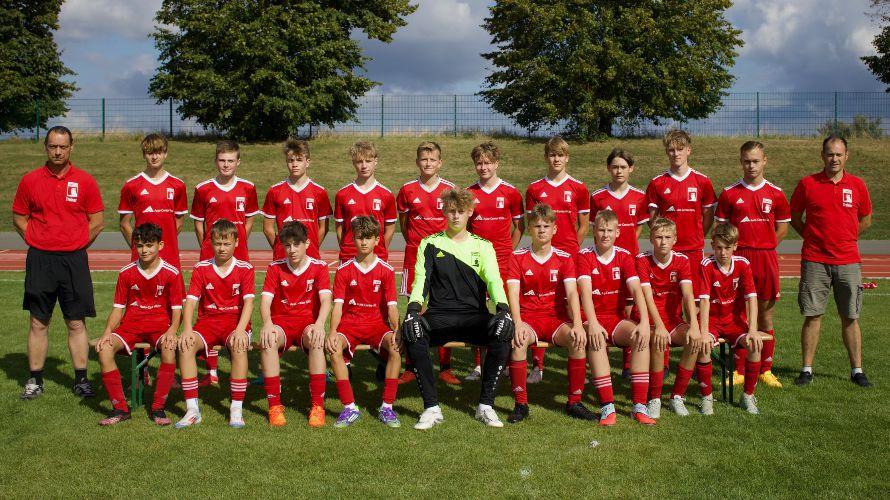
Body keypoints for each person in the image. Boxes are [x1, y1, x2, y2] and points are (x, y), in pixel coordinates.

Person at [401, 188, 514, 429]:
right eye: (451, 211)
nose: (455, 216)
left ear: (470, 212)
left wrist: (503, 309)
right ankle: (431, 407)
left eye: (460, 211)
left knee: (503, 332)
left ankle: (486, 406)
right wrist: (412, 310)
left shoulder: (483, 246)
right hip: (439, 316)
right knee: (413, 332)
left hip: (474, 317)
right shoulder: (430, 243)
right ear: (444, 212)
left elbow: (494, 280)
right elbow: (421, 280)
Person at [13, 126, 104, 400]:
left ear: (71, 147)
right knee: (38, 321)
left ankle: (81, 380)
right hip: (40, 259)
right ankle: (35, 380)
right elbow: (19, 217)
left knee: (76, 322)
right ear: (46, 147)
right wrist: (37, 240)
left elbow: (97, 222)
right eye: (53, 146)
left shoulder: (85, 181)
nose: (58, 151)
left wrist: (76, 245)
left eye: (63, 146)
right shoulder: (30, 181)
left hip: (73, 260)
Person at [790, 136, 873, 387]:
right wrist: (813, 238)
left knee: (850, 316)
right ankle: (806, 370)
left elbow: (866, 220)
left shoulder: (857, 185)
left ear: (846, 156)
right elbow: (795, 216)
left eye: (838, 154)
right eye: (830, 154)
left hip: (848, 261)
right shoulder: (807, 184)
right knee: (813, 315)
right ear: (822, 156)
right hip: (815, 260)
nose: (834, 159)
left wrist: (845, 238)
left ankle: (857, 370)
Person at [715, 141, 790, 388]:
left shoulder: (776, 193)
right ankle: (739, 369)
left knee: (765, 316)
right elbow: (720, 230)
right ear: (741, 162)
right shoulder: (729, 193)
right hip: (739, 259)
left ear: (764, 161)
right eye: (747, 161)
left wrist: (766, 245)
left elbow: (783, 228)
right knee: (739, 315)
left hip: (765, 259)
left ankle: (765, 369)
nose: (751, 165)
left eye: (756, 161)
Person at [505, 204, 589, 423]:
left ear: (554, 229)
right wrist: (517, 323)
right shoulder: (517, 257)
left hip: (555, 319)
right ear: (530, 229)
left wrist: (577, 324)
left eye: (546, 226)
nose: (541, 230)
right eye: (537, 226)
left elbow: (572, 293)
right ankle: (521, 404)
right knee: (518, 342)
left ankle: (574, 402)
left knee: (577, 340)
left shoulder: (564, 258)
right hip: (528, 318)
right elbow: (512, 293)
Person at [94, 223, 183, 426]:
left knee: (169, 348)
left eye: (149, 245)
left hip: (159, 327)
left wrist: (172, 330)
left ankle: (158, 408)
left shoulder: (171, 273)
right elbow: (118, 309)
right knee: (104, 349)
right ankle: (120, 409)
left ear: (160, 245)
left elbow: (177, 310)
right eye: (140, 245)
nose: (144, 250)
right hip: (130, 326)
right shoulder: (126, 272)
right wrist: (107, 332)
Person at [576, 210, 655, 425]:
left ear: (617, 232)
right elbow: (585, 293)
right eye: (601, 230)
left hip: (615, 318)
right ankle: (607, 406)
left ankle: (639, 406)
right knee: (597, 339)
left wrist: (644, 322)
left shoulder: (624, 256)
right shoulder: (584, 255)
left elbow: (636, 290)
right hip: (590, 318)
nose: (605, 235)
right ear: (594, 231)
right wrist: (592, 323)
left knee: (639, 335)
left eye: (610, 230)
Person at [189, 140, 258, 385]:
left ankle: (239, 352)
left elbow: (249, 220)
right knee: (208, 308)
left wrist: (238, 244)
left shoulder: (248, 188)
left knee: (239, 303)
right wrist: (207, 246)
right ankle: (211, 372)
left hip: (238, 255)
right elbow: (199, 223)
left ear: (238, 162)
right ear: (215, 161)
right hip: (211, 256)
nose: (226, 165)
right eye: (222, 160)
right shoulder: (203, 189)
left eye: (230, 160)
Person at [175, 219, 255, 428]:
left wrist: (240, 330)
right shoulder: (201, 268)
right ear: (211, 243)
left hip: (234, 322)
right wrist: (187, 329)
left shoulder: (245, 268)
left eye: (227, 243)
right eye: (218, 243)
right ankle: (192, 410)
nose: (222, 248)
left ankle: (236, 409)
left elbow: (249, 303)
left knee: (239, 346)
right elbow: (191, 301)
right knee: (186, 345)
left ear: (236, 243)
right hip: (207, 322)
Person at [524, 136, 590, 383]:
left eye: (560, 155)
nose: (556, 159)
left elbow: (584, 225)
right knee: (541, 303)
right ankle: (537, 366)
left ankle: (580, 358)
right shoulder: (534, 189)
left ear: (567, 157)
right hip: (541, 254)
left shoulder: (579, 188)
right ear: (546, 157)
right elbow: (533, 224)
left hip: (568, 255)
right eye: (552, 155)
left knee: (574, 303)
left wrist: (570, 248)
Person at [327, 216, 402, 428]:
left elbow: (392, 307)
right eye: (360, 237)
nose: (363, 242)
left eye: (368, 237)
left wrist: (397, 330)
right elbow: (338, 306)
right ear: (353, 239)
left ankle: (387, 407)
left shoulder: (386, 270)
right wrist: (332, 332)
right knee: (334, 348)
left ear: (377, 240)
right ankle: (349, 407)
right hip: (349, 325)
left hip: (377, 325)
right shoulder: (344, 270)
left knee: (396, 348)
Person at [396, 141, 459, 386]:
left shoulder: (450, 190)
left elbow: (456, 222)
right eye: (424, 159)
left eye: (433, 159)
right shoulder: (407, 189)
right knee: (414, 310)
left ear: (440, 163)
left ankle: (445, 367)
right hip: (415, 256)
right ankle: (411, 366)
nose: (428, 163)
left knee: (445, 309)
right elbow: (405, 225)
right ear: (417, 162)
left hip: (444, 257)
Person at [258, 221, 332, 427]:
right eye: (287, 245)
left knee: (316, 339)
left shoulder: (319, 267)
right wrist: (267, 324)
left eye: (296, 244)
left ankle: (317, 406)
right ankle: (274, 406)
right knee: (268, 340)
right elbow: (265, 302)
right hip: (281, 323)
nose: (292, 250)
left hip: (307, 323)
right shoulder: (275, 268)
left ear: (307, 243)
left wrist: (320, 324)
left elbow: (326, 300)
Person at [465, 141, 524, 381]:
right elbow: (464, 229)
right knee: (477, 312)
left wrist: (508, 250)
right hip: (476, 262)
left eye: (488, 162)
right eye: (479, 163)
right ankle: (478, 365)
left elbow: (519, 227)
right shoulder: (468, 193)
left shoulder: (511, 192)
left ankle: (506, 361)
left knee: (505, 311)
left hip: (503, 261)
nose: (483, 167)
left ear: (496, 163)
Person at [590, 148, 650, 379]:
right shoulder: (598, 197)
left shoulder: (640, 196)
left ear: (631, 169)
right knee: (605, 306)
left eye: (623, 167)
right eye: (614, 167)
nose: (619, 171)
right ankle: (601, 359)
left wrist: (626, 247)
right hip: (604, 262)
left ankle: (627, 364)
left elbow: (638, 227)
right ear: (608, 168)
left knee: (629, 309)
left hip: (629, 261)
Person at [635, 218, 703, 418]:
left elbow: (688, 295)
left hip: (672, 319)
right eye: (658, 237)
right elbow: (647, 297)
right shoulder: (642, 260)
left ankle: (677, 397)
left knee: (694, 340)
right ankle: (655, 398)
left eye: (667, 237)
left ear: (675, 239)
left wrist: (694, 325)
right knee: (659, 340)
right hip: (648, 319)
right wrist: (659, 325)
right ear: (651, 239)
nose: (663, 242)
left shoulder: (682, 260)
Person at [697, 223, 765, 414]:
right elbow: (704, 301)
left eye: (727, 247)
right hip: (712, 321)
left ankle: (748, 396)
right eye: (718, 247)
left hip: (735, 322)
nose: (723, 252)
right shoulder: (707, 264)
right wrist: (704, 333)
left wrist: (753, 329)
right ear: (712, 245)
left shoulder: (743, 264)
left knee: (754, 344)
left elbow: (751, 298)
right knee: (703, 347)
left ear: (735, 246)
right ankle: (706, 398)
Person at [645, 130, 717, 299]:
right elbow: (652, 219)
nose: (676, 154)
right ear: (666, 152)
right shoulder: (657, 183)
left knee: (696, 299)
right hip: (668, 251)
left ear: (688, 150)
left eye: (680, 149)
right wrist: (664, 239)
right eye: (671, 150)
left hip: (693, 250)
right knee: (669, 299)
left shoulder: (702, 181)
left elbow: (708, 215)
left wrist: (698, 234)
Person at [118, 133, 188, 269]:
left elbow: (178, 223)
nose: (154, 157)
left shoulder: (178, 185)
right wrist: (140, 246)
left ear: (165, 154)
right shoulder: (131, 185)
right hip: (142, 257)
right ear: (144, 155)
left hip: (169, 255)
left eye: (158, 152)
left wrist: (162, 244)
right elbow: (124, 224)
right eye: (150, 153)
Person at [261, 138, 332, 261]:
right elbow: (268, 228)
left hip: (311, 257)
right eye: (291, 160)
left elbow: (324, 228)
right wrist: (280, 249)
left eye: (299, 160)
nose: (294, 164)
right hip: (283, 258)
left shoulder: (320, 192)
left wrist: (311, 247)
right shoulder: (275, 191)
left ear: (307, 162)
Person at [333, 141, 397, 263]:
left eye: (368, 161)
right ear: (353, 163)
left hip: (378, 257)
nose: (364, 166)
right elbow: (339, 229)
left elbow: (390, 229)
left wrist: (378, 248)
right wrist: (348, 248)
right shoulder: (342, 194)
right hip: (349, 257)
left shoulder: (386, 194)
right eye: (359, 161)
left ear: (375, 161)